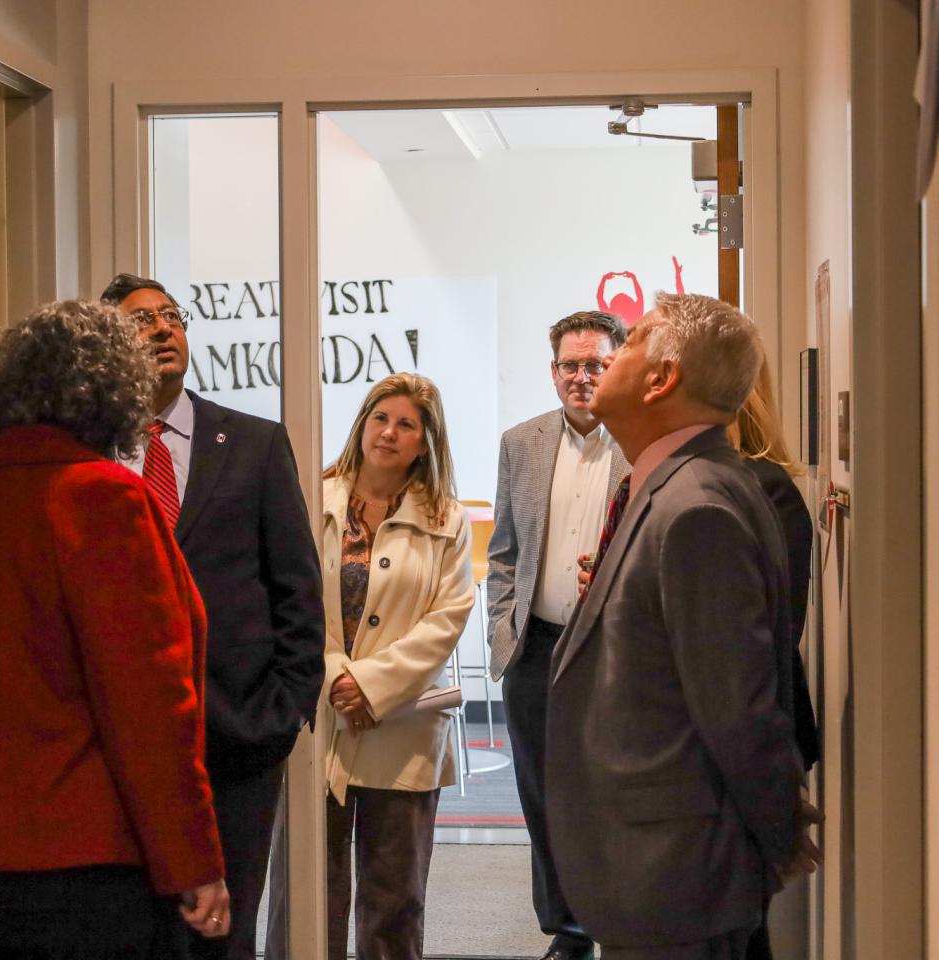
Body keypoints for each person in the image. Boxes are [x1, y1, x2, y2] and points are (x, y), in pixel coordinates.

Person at [0, 300, 229, 959]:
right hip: (78, 868)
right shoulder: (107, 500)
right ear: (114, 394)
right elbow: (149, 704)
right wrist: (191, 858)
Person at [546, 293, 804, 959]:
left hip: (677, 881)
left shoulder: (696, 508)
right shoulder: (668, 487)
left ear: (661, 380)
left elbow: (740, 710)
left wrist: (776, 844)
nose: (607, 363)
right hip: (653, 875)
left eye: (629, 346)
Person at [100, 273, 326, 960]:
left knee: (226, 935)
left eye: (171, 316)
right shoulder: (94, 452)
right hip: (125, 742)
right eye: (141, 321)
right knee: (139, 932)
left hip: (239, 734)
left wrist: (285, 708)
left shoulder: (254, 443)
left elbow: (297, 584)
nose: (163, 329)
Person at [486, 309, 628, 960]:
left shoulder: (641, 441)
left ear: (617, 366)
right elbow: (505, 551)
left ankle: (619, 924)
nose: (582, 376)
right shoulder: (522, 442)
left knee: (610, 794)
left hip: (615, 653)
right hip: (536, 648)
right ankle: (568, 934)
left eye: (595, 363)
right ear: (552, 373)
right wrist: (502, 632)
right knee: (543, 799)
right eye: (570, 365)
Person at [321, 372, 474, 960]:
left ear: (424, 441)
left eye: (406, 424)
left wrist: (369, 685)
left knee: (395, 898)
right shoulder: (314, 497)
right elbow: (293, 599)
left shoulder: (447, 519)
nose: (389, 432)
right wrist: (336, 675)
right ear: (362, 425)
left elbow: (448, 617)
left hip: (403, 725)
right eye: (380, 417)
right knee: (311, 892)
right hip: (322, 714)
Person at [729, 359, 822, 960]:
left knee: (737, 929)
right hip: (729, 742)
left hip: (740, 741)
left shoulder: (762, 488)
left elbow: (763, 641)